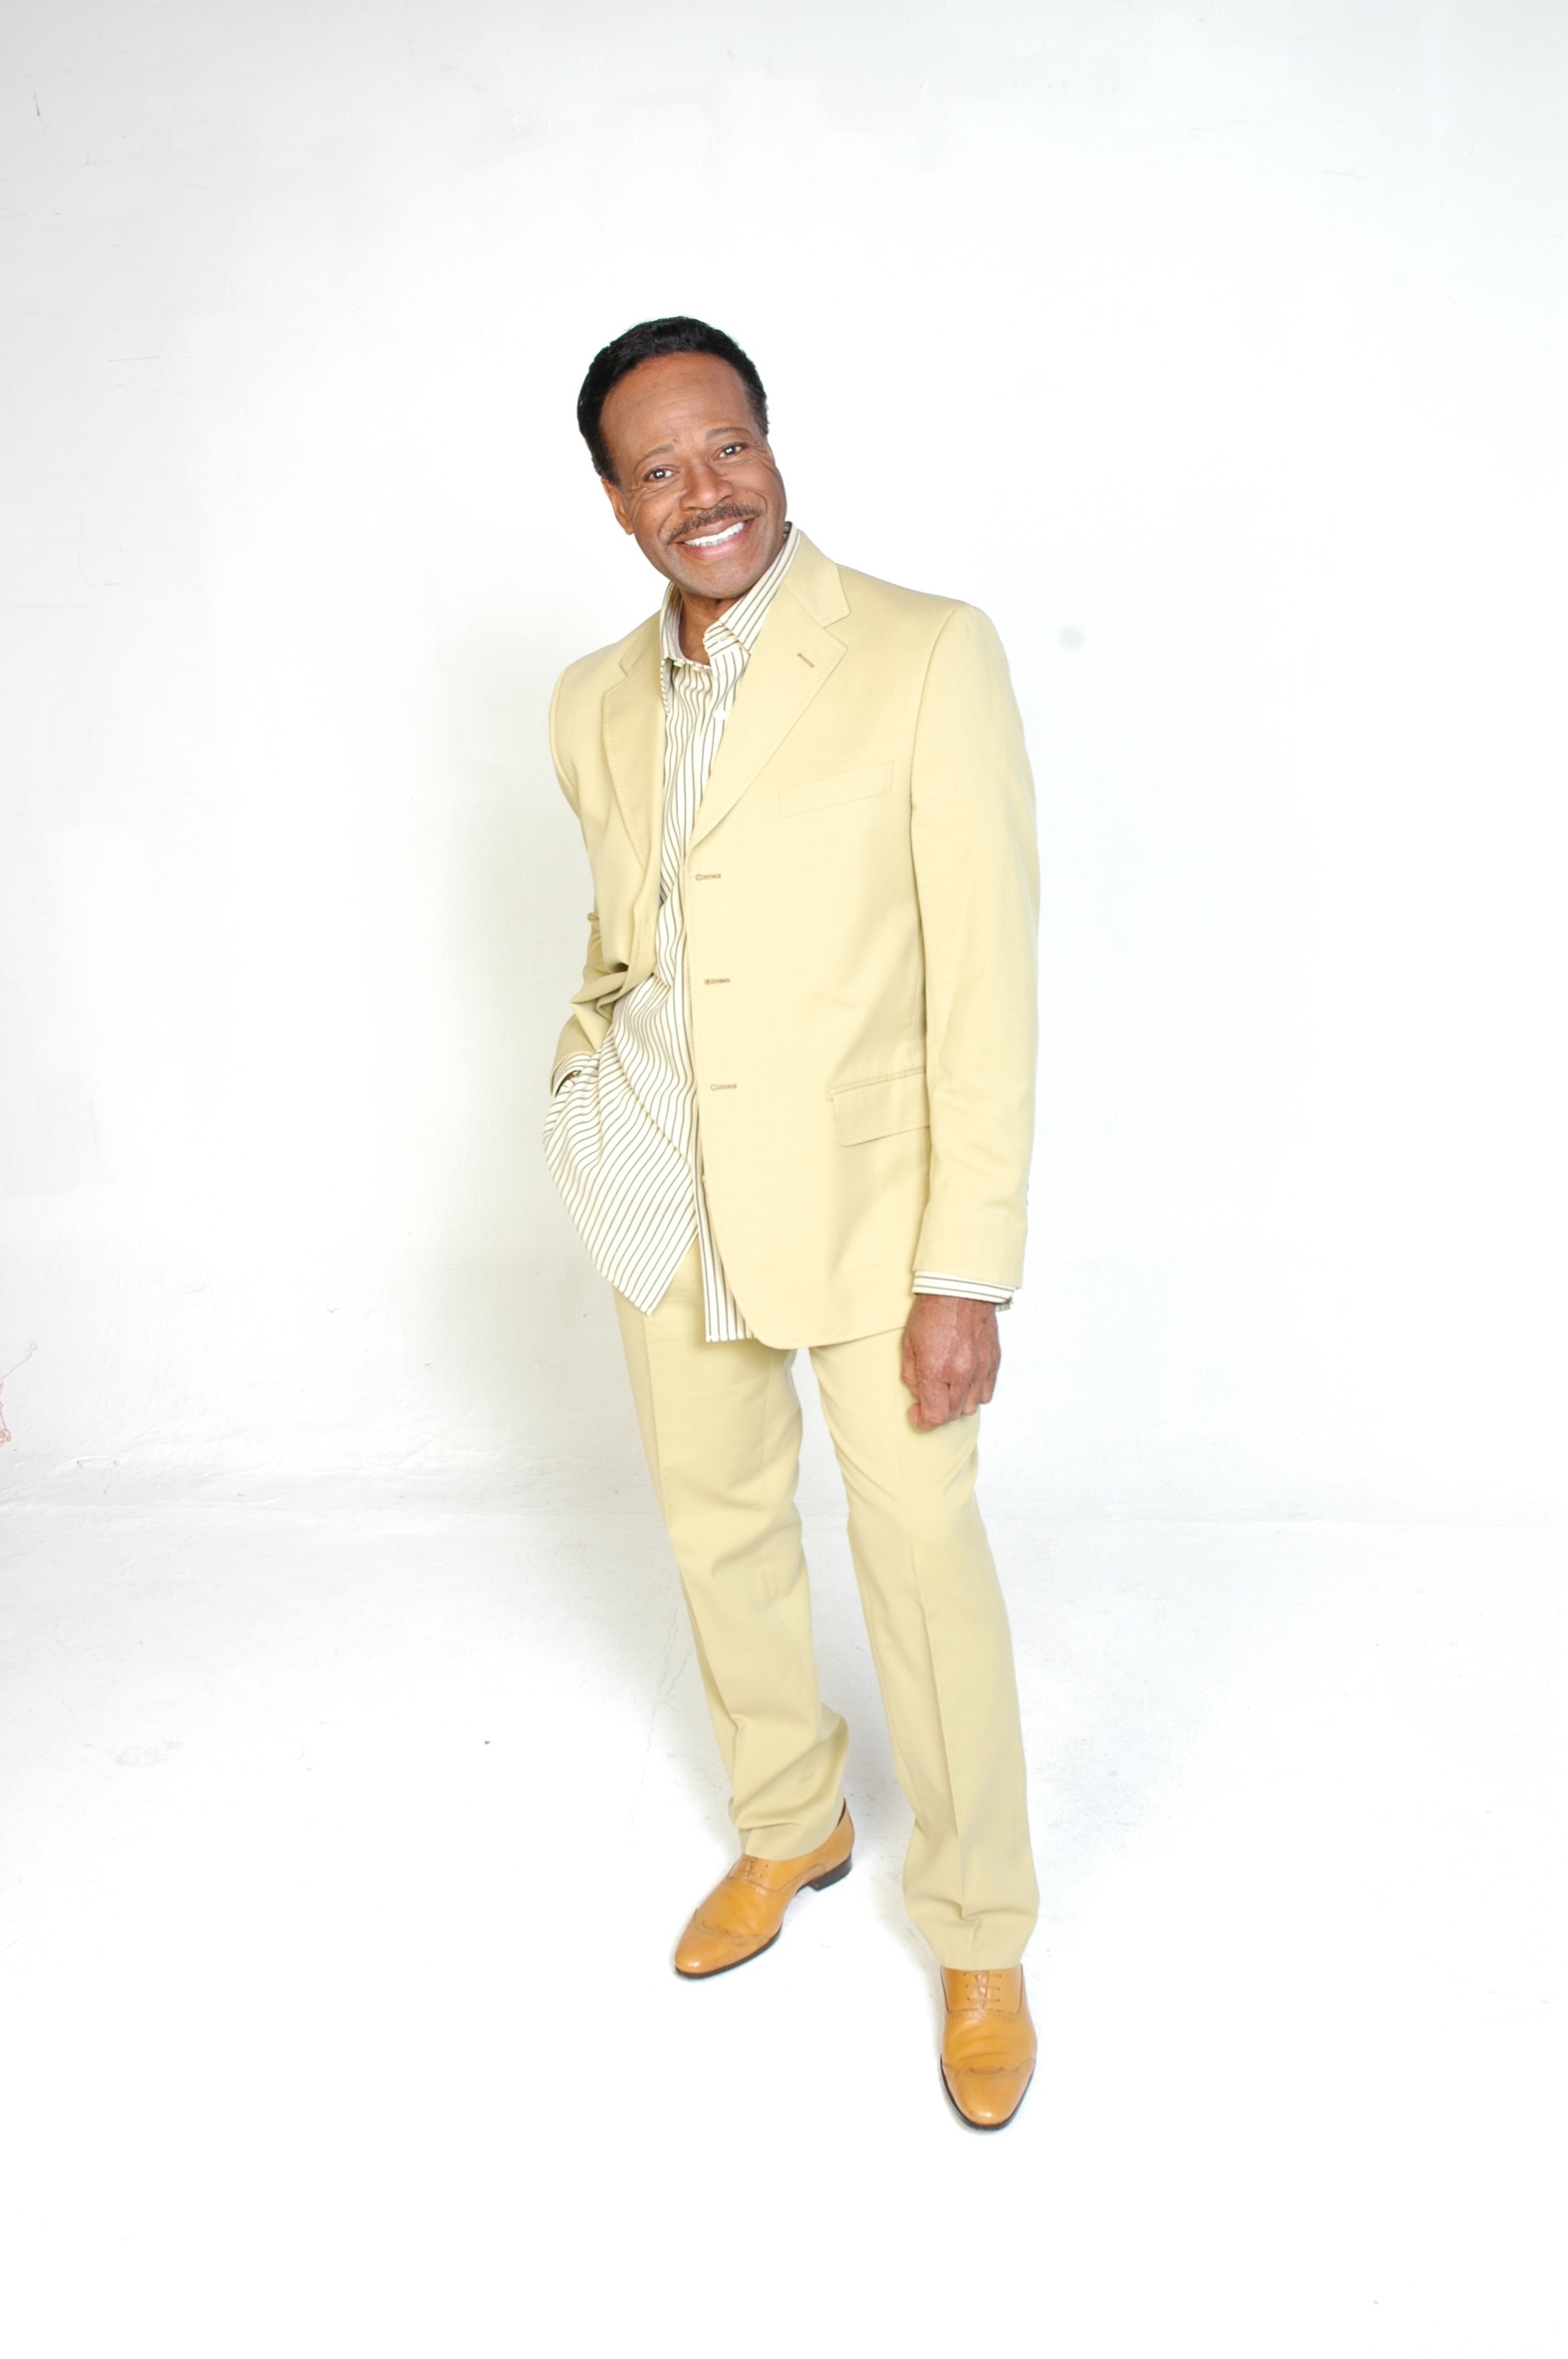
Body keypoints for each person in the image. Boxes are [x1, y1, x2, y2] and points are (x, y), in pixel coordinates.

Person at [544, 317, 1040, 2129]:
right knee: (718, 1530)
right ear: (618, 504)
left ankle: (978, 1927)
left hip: (871, 1207)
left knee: (917, 1553)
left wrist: (963, 1266)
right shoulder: (589, 700)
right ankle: (788, 1820)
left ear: (769, 445)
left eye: (727, 447)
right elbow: (633, 937)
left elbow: (985, 983)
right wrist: (593, 1094)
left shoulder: (924, 652)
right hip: (663, 1190)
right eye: (658, 470)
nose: (705, 492)